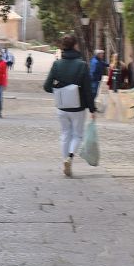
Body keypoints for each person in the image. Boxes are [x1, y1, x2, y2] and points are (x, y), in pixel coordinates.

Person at [42, 33, 97, 177]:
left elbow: (47, 87)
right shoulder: (82, 65)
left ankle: (64, 159)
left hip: (62, 106)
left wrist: (60, 88)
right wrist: (92, 108)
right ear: (75, 46)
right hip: (78, 107)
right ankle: (70, 158)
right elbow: (87, 89)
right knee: (77, 135)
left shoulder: (57, 64)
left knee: (65, 134)